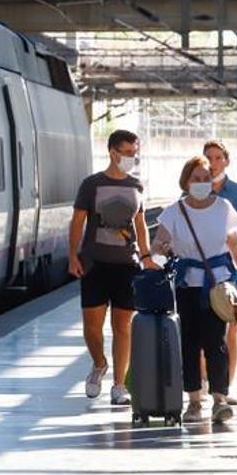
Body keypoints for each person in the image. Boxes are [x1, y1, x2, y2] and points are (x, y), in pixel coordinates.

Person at [153, 155, 237, 424]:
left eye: (206, 178)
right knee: (190, 342)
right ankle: (194, 400)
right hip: (187, 285)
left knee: (216, 342)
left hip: (218, 286)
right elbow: (158, 242)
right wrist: (161, 249)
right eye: (196, 178)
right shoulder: (175, 211)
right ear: (186, 181)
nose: (201, 183)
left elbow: (234, 244)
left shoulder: (224, 207)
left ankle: (219, 399)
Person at [69, 129, 158, 406]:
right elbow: (77, 222)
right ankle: (99, 363)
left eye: (135, 152)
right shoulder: (91, 184)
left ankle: (120, 385)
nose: (133, 157)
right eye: (128, 152)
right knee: (91, 327)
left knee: (123, 327)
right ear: (113, 152)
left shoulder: (137, 186)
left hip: (126, 265)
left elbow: (140, 225)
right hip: (95, 263)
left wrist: (145, 257)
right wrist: (73, 255)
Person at [203, 139, 237, 405]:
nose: (213, 163)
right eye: (208, 157)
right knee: (205, 331)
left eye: (218, 157)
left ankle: (227, 386)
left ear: (227, 160)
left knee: (232, 329)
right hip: (201, 272)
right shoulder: (193, 192)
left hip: (230, 270)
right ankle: (205, 384)